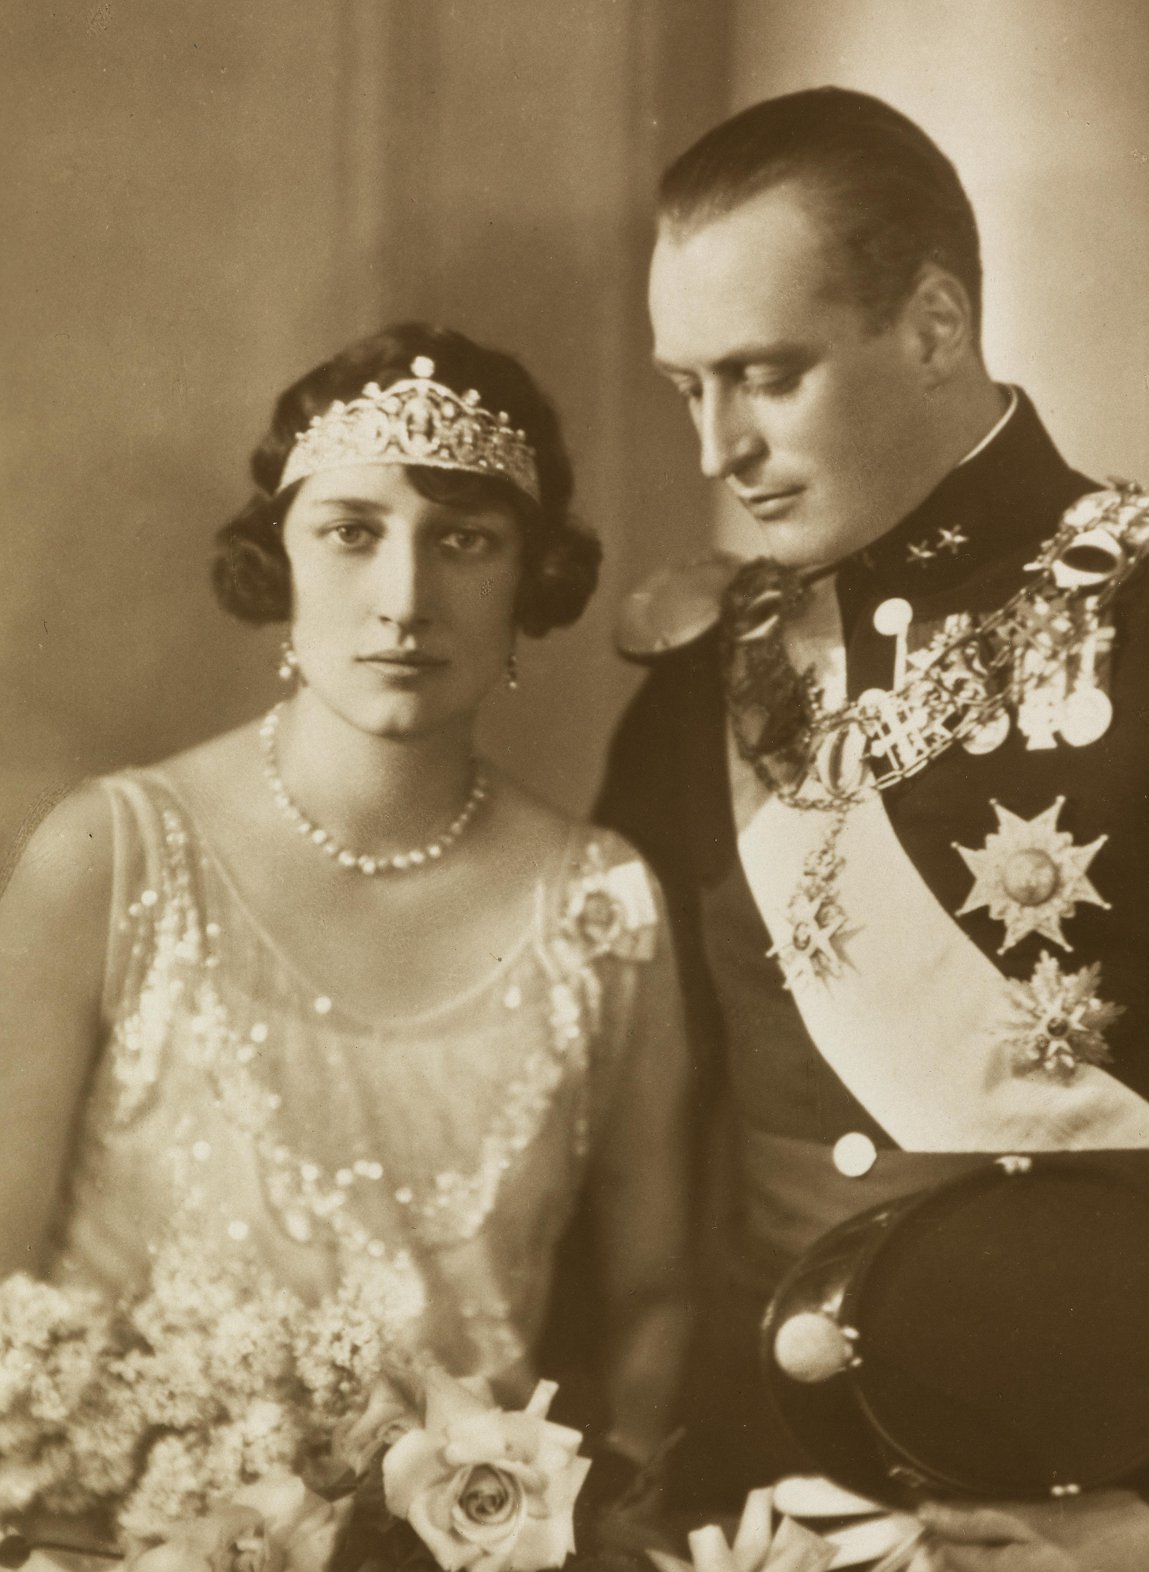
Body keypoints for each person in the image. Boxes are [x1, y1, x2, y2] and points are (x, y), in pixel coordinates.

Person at [596, 87, 1149, 1572]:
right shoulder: (698, 692)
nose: (717, 448)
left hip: (1116, 1543)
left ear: (933, 322)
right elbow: (646, 1142)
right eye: (685, 387)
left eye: (765, 374)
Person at [0, 321, 690, 1479]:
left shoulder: (604, 903)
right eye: (352, 533)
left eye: (465, 541)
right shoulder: (108, 856)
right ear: (281, 559)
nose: (405, 597)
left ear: (532, 580)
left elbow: (655, 1301)